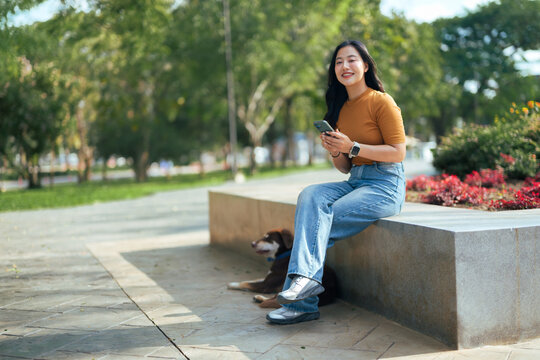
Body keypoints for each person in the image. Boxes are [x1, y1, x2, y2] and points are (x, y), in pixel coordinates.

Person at [266, 40, 407, 324]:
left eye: (352, 60)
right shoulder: (340, 109)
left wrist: (352, 146)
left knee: (318, 223)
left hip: (385, 186)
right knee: (311, 195)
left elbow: (398, 152)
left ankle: (301, 303)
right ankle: (303, 291)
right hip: (356, 181)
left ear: (365, 66)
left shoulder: (382, 101)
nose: (345, 66)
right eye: (339, 61)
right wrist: (336, 151)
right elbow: (344, 168)